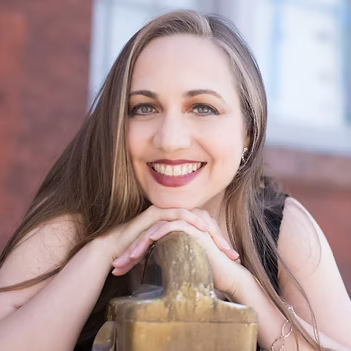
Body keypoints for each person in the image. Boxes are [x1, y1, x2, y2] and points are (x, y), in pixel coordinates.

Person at [0, 10, 350, 351]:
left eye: (202, 108)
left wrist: (241, 285)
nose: (169, 139)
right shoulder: (76, 221)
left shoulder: (282, 227)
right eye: (144, 108)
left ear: (248, 131)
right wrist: (103, 251)